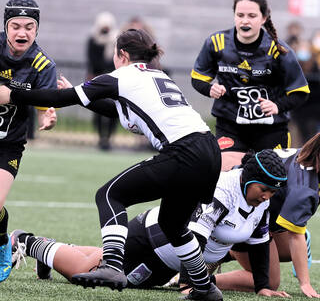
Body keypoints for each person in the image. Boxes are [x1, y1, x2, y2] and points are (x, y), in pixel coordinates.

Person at [0, 29, 223, 301]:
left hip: (184, 152)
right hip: (209, 151)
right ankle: (205, 288)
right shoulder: (158, 77)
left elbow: (60, 99)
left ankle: (113, 266)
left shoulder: (123, 75)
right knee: (173, 225)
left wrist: (12, 95)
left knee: (109, 194)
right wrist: (75, 92)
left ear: (122, 55)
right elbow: (121, 113)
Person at [10, 149, 288, 298]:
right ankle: (28, 242)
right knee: (87, 273)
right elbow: (195, 239)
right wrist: (192, 286)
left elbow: (259, 243)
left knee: (97, 263)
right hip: (149, 241)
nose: (267, 197)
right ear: (248, 179)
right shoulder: (222, 190)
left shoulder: (261, 202)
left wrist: (263, 286)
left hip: (168, 260)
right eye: (264, 189)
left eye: (273, 192)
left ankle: (55, 250)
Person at [190, 0, 309, 171]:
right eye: (240, 15)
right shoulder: (216, 42)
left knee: (269, 177)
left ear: (263, 18)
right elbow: (198, 79)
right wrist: (210, 89)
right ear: (234, 16)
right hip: (230, 125)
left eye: (252, 15)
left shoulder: (278, 50)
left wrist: (277, 106)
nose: (245, 21)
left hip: (271, 128)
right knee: (227, 173)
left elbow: (300, 92)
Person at [211, 134, 320, 298]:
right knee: (269, 281)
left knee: (289, 251)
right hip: (238, 210)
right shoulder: (304, 189)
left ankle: (228, 250)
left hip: (263, 213)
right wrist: (305, 283)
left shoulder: (308, 154)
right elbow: (295, 237)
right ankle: (203, 278)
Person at [0, 0, 57, 282]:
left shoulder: (43, 65)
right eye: (15, 26)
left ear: (37, 29)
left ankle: (1, 242)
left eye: (29, 26)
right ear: (6, 27)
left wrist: (48, 114)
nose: (22, 32)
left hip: (8, 144)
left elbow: (47, 102)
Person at [86, 11, 118, 150]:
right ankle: (101, 137)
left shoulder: (116, 40)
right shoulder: (93, 40)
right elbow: (92, 60)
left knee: (114, 110)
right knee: (98, 109)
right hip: (97, 79)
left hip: (113, 79)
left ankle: (109, 138)